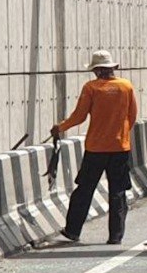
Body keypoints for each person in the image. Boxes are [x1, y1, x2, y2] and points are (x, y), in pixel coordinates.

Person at [52, 50, 139, 245]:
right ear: (112, 68)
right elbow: (132, 116)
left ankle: (73, 231)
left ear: (98, 70)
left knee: (84, 189)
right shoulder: (126, 87)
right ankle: (115, 236)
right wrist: (121, 134)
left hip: (96, 149)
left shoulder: (91, 88)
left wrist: (60, 127)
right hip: (120, 148)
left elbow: (79, 116)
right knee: (118, 192)